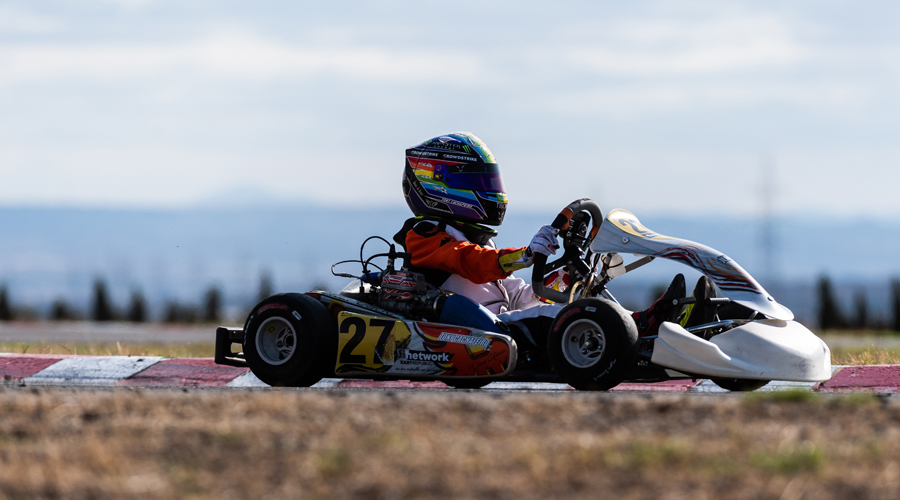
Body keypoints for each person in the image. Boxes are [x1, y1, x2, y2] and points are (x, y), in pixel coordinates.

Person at [393, 132, 709, 348]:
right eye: (478, 182)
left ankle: (659, 329)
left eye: (489, 181)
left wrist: (568, 279)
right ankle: (644, 328)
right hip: (475, 334)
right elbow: (469, 262)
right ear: (440, 187)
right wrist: (525, 255)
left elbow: (518, 297)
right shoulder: (424, 236)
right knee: (553, 316)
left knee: (572, 302)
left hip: (499, 324)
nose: (491, 190)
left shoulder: (476, 239)